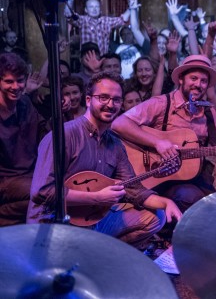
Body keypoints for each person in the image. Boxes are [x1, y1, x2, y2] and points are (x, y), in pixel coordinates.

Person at [28, 72, 181, 249]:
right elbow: (42, 192)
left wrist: (167, 202)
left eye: (116, 100)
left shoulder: (115, 143)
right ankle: (87, 252)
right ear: (88, 100)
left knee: (156, 217)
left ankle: (100, 252)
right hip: (57, 225)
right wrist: (96, 197)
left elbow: (134, 190)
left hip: (92, 221)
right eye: (103, 98)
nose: (110, 104)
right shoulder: (63, 136)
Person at [112, 55, 216, 211]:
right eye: (193, 78)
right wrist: (157, 143)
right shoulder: (161, 103)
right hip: (158, 176)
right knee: (190, 198)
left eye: (203, 81)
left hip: (193, 175)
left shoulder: (208, 111)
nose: (198, 84)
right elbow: (119, 124)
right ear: (181, 79)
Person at [0, 53, 46, 226]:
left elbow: (45, 132)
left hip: (30, 173)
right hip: (6, 179)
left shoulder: (25, 103)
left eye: (20, 81)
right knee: (45, 194)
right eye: (9, 81)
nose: (16, 86)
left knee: (54, 193)